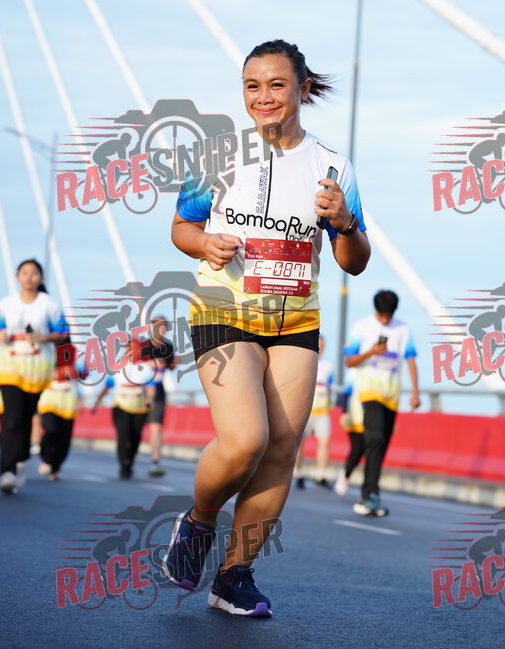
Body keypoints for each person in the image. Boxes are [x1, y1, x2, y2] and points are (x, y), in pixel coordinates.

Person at [167, 39, 370, 617]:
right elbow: (181, 228)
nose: (264, 97)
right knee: (245, 440)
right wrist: (205, 243)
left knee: (281, 447)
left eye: (277, 85)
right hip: (224, 311)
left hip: (296, 319)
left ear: (302, 89)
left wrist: (345, 222)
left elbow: (354, 260)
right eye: (252, 86)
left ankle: (234, 576)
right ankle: (199, 521)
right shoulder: (217, 155)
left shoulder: (332, 166)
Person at [0, 259, 69, 493]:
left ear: (41, 278)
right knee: (12, 418)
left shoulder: (50, 304)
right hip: (10, 365)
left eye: (34, 273)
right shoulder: (6, 303)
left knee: (26, 418)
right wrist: (0, 336)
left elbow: (62, 333)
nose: (29, 277)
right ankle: (7, 471)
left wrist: (43, 337)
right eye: (24, 272)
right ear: (18, 277)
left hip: (37, 367)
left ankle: (19, 459)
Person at [343, 290, 420, 516]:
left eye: (389, 316)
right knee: (374, 438)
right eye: (382, 315)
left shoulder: (403, 329)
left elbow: (411, 359)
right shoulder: (362, 327)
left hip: (391, 394)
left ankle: (371, 494)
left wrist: (415, 392)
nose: (385, 320)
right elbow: (349, 361)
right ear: (375, 310)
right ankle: (368, 494)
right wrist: (371, 352)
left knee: (382, 443)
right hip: (369, 392)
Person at [91, 341, 153, 479]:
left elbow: (151, 386)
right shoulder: (118, 367)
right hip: (121, 405)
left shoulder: (146, 368)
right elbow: (107, 386)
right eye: (129, 348)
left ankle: (130, 461)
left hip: (139, 406)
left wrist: (150, 399)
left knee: (135, 436)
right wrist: (96, 402)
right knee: (123, 434)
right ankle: (123, 465)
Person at [37, 345, 83, 481]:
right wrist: (59, 372)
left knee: (64, 439)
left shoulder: (75, 367)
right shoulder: (48, 361)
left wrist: (73, 371)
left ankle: (55, 468)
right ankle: (46, 458)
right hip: (49, 402)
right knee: (51, 430)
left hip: (68, 404)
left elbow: (85, 373)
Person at [293, 335, 334, 489]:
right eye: (319, 344)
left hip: (322, 410)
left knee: (325, 442)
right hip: (305, 408)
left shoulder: (328, 366)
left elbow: (329, 385)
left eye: (323, 345)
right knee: (300, 443)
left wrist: (331, 401)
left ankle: (320, 475)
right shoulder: (303, 361)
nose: (321, 347)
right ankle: (298, 473)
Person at [145, 316, 176, 477]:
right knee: (133, 430)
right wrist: (149, 364)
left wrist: (174, 362)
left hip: (158, 391)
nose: (161, 329)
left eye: (164, 326)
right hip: (139, 392)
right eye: (157, 325)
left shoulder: (168, 347)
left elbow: (170, 366)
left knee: (156, 427)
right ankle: (127, 460)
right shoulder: (142, 346)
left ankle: (155, 461)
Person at [334, 380, 365, 496]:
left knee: (366, 451)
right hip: (354, 420)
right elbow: (345, 394)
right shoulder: (354, 376)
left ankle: (368, 487)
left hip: (370, 422)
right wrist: (344, 412)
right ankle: (345, 475)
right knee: (357, 449)